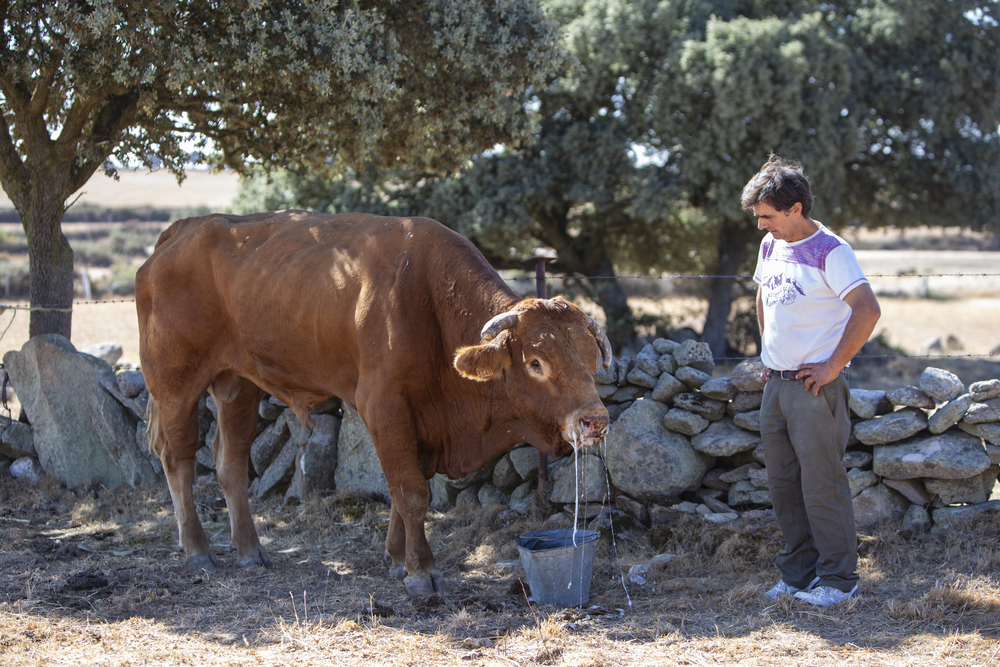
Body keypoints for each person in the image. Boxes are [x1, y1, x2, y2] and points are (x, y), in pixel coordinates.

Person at [742, 155, 881, 607]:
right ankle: (798, 576)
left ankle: (839, 581)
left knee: (821, 484)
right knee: (783, 485)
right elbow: (764, 296)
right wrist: (768, 351)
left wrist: (833, 367)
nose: (762, 226)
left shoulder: (833, 251)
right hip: (777, 385)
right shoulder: (770, 246)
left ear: (795, 208)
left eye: (768, 217)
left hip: (814, 387)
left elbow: (868, 310)